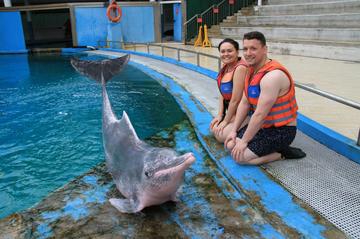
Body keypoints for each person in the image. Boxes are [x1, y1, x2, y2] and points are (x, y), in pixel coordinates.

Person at [224, 31, 305, 165]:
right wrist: (233, 131)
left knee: (240, 158)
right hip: (262, 127)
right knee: (230, 146)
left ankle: (281, 154)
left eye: (253, 49)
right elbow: (244, 103)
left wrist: (244, 141)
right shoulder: (250, 70)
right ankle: (264, 148)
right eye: (245, 49)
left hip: (281, 131)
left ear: (265, 49)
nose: (248, 53)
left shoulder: (273, 76)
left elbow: (260, 114)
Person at [210, 38, 248, 142]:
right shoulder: (225, 67)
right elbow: (222, 93)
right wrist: (220, 115)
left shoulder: (240, 68)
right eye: (223, 51)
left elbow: (235, 100)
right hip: (232, 111)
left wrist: (225, 121)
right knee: (213, 128)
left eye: (229, 51)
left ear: (237, 52)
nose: (226, 54)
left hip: (244, 112)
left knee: (220, 136)